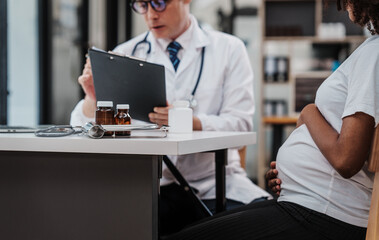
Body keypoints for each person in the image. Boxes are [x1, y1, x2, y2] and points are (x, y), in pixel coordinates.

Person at [160, 0, 379, 239]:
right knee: (187, 230)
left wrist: (308, 112)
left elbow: (346, 159)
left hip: (324, 213)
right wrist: (292, 174)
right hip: (307, 201)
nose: (342, 6)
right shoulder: (371, 51)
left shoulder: (374, 53)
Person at [70, 0, 270, 235]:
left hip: (215, 185)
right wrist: (94, 98)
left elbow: (242, 126)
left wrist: (188, 120)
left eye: (159, 3)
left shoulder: (229, 49)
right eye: (142, 5)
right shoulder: (126, 54)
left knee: (262, 225)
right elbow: (81, 129)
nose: (151, 15)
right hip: (151, 186)